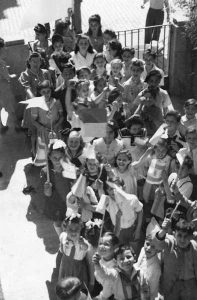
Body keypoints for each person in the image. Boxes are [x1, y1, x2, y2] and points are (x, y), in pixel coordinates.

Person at [154, 217, 197, 300]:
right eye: (179, 235)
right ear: (174, 234)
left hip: (190, 287)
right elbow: (157, 244)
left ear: (191, 237)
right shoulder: (170, 242)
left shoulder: (195, 246)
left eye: (186, 236)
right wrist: (163, 230)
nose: (182, 239)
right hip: (171, 286)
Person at [96, 178, 143, 245]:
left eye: (116, 188)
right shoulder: (108, 201)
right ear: (107, 191)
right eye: (110, 189)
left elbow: (140, 211)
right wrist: (100, 188)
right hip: (118, 231)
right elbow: (102, 197)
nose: (113, 191)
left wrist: (138, 229)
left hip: (133, 228)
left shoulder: (132, 199)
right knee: (119, 251)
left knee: (135, 248)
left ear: (123, 188)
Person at [31, 80, 64, 166]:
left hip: (56, 131)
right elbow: (33, 120)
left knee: (56, 149)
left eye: (48, 91)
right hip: (44, 132)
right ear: (39, 92)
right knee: (45, 149)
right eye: (43, 92)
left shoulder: (56, 102)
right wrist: (42, 128)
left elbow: (62, 116)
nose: (46, 94)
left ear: (51, 91)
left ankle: (56, 165)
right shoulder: (36, 104)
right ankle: (46, 167)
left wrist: (57, 125)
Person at [58, 214, 94, 290]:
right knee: (65, 283)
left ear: (81, 229)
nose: (73, 232)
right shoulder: (63, 236)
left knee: (76, 286)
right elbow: (61, 248)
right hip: (65, 263)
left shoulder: (81, 242)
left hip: (77, 268)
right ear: (65, 228)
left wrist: (83, 244)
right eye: (70, 229)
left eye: (76, 229)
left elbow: (86, 247)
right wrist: (63, 246)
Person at [92, 232, 119, 299]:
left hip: (108, 294)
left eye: (106, 244)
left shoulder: (116, 265)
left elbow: (106, 278)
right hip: (98, 287)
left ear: (115, 247)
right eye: (100, 243)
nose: (102, 246)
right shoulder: (100, 258)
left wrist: (99, 297)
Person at [0, 37, 19, 132]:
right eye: (4, 47)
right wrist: (13, 75)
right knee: (11, 107)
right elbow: (7, 77)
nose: (6, 49)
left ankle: (1, 126)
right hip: (3, 89)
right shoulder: (1, 62)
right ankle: (17, 126)